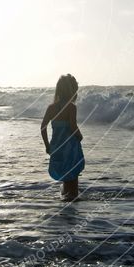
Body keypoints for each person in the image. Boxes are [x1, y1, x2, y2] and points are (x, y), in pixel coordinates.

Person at [41, 73, 85, 201]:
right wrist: (80, 136)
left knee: (65, 176)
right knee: (73, 176)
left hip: (57, 146)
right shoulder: (71, 107)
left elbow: (43, 127)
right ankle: (73, 202)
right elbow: (72, 126)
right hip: (70, 146)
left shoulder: (51, 108)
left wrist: (47, 146)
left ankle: (64, 201)